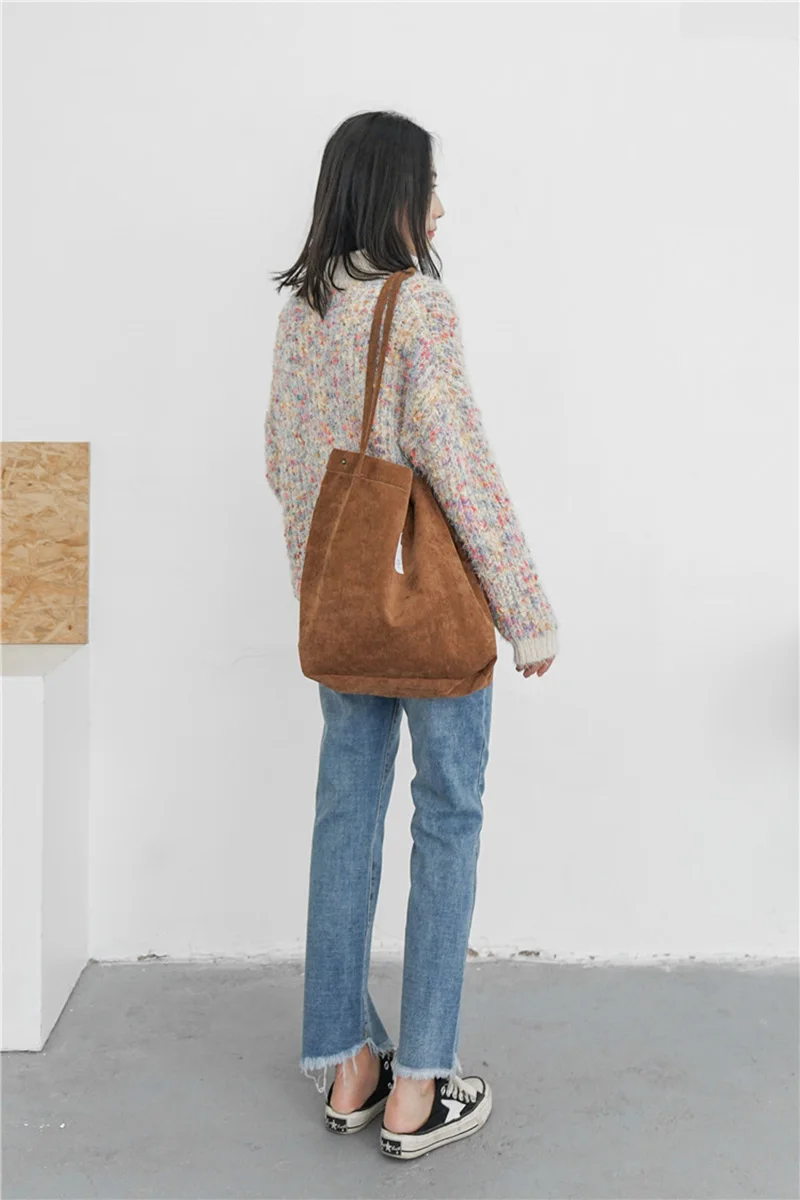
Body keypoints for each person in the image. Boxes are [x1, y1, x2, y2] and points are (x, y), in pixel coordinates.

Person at [264, 110, 559, 1161]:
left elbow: (285, 463)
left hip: (341, 609)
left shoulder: (302, 311)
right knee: (449, 817)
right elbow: (458, 462)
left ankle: (346, 1064)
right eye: (429, 187)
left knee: (345, 813)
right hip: (430, 616)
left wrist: (327, 589)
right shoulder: (417, 304)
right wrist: (523, 608)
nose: (441, 209)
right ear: (391, 193)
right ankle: (420, 1085)